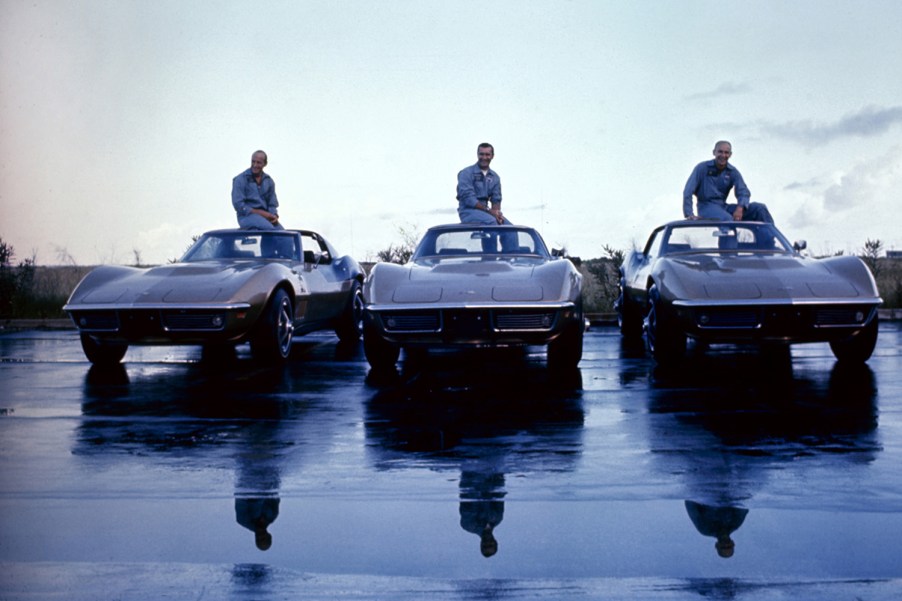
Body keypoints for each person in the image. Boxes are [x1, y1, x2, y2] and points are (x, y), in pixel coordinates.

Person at [683, 141, 773, 223]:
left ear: (730, 154)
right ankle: (730, 241)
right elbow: (688, 191)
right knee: (727, 220)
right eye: (720, 152)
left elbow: (743, 192)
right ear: (714, 152)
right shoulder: (702, 168)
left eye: (726, 153)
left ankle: (770, 240)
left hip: (723, 206)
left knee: (759, 208)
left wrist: (740, 207)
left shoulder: (733, 172)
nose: (723, 155)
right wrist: (689, 214)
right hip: (706, 207)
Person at [456, 143, 512, 225]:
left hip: (487, 213)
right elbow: (468, 198)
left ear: (492, 156)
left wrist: (497, 214)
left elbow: (496, 200)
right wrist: (489, 211)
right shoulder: (466, 173)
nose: (484, 157)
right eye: (481, 154)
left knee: (510, 229)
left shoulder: (495, 177)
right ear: (477, 155)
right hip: (468, 212)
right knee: (492, 223)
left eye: (487, 154)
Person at [232, 150, 283, 230]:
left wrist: (274, 215)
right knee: (269, 230)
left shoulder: (269, 181)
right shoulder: (240, 179)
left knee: (284, 236)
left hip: (267, 217)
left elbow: (272, 204)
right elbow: (239, 205)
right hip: (246, 216)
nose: (255, 165)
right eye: (253, 162)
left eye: (258, 162)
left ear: (265, 164)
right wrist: (262, 214)